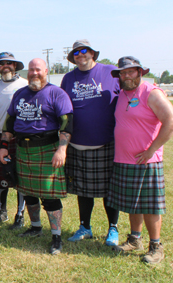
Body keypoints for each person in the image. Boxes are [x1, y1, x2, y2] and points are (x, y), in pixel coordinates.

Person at [108, 56, 173, 264]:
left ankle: (156, 246)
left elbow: (172, 122)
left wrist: (152, 150)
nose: (127, 75)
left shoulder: (151, 93)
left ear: (140, 72)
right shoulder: (121, 94)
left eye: (131, 71)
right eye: (123, 72)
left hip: (147, 161)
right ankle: (134, 240)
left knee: (150, 206)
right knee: (132, 204)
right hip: (124, 159)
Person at [0, 58, 73, 255]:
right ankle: (35, 227)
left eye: (38, 70)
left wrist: (62, 149)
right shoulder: (20, 94)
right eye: (31, 70)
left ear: (46, 71)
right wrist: (4, 146)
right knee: (28, 192)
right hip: (23, 149)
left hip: (47, 149)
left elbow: (66, 123)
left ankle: (56, 236)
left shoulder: (56, 93)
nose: (34, 73)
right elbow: (9, 122)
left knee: (49, 196)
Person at [60, 39, 121, 246]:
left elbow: (130, 90)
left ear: (93, 53)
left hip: (106, 142)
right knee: (82, 190)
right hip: (77, 143)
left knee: (109, 190)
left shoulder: (111, 72)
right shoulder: (68, 78)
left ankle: (113, 229)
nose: (80, 55)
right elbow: (63, 110)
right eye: (76, 53)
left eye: (84, 51)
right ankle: (85, 227)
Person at [0, 52, 28, 229]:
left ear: (15, 66)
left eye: (9, 63)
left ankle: (20, 214)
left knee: (21, 179)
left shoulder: (24, 86)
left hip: (20, 138)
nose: (6, 66)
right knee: (1, 177)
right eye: (2, 64)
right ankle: (2, 211)